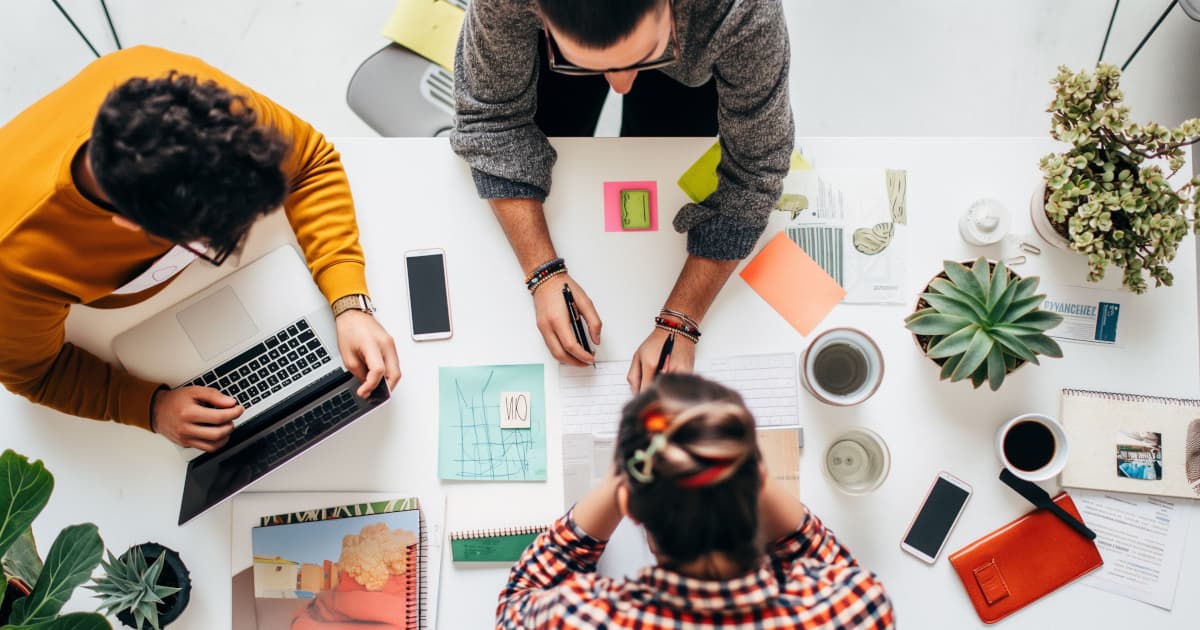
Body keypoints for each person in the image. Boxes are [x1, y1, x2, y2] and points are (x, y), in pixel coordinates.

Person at [0, 46, 401, 452]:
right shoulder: (12, 260)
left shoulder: (186, 100)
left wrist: (349, 301)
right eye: (208, 235)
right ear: (127, 224)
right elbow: (37, 374)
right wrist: (149, 407)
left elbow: (310, 164)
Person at [451, 0, 794, 391]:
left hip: (691, 59)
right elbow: (492, 123)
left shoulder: (743, 11)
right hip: (549, 44)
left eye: (644, 58)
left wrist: (682, 320)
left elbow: (754, 173)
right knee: (562, 132)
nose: (620, 85)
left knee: (663, 147)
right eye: (589, 64)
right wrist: (542, 272)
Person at [497, 374, 895, 628]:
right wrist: (739, 463)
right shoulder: (855, 609)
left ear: (630, 507)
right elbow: (832, 568)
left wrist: (626, 475)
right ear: (758, 483)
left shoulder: (575, 618)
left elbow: (518, 600)